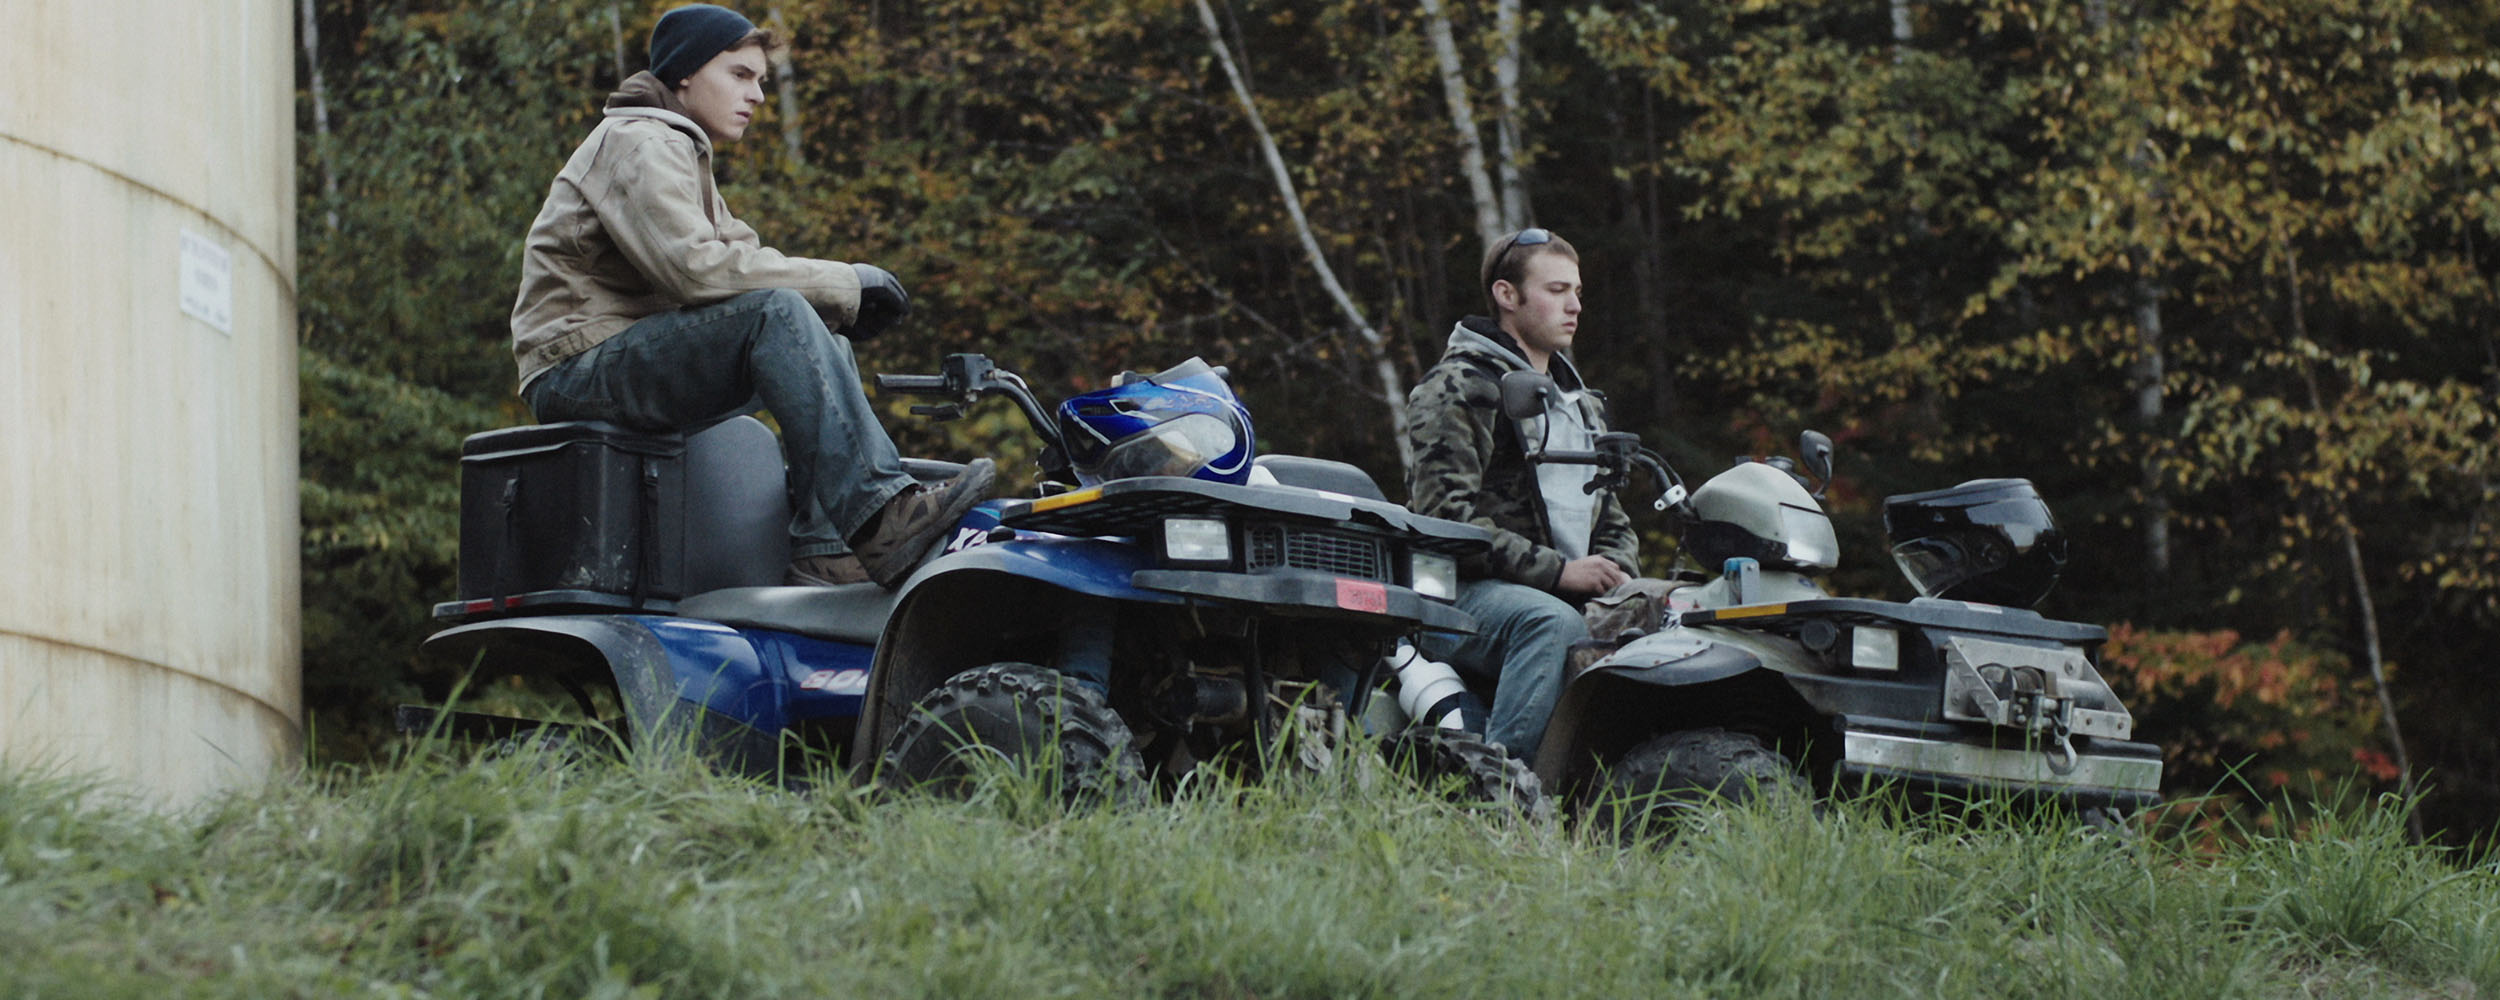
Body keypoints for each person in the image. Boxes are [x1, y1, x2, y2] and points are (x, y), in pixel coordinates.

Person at [508, 4, 991, 589]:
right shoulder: (639, 143)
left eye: (761, 79)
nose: (758, 95)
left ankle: (826, 546)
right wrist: (845, 281)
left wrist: (839, 301)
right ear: (685, 73)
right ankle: (882, 519)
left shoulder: (682, 154)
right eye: (740, 75)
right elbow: (696, 272)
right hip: (574, 368)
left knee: (811, 325)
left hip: (621, 358)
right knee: (781, 313)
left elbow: (750, 265)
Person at [1403, 228, 1642, 757]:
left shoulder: (1579, 402)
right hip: (1453, 593)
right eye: (1556, 291)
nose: (1574, 306)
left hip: (1550, 586)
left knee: (1668, 616)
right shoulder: (1457, 387)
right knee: (1549, 622)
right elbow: (1446, 521)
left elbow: (1611, 517)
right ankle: (1499, 794)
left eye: (1577, 292)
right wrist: (1560, 572)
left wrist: (1615, 573)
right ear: (1507, 296)